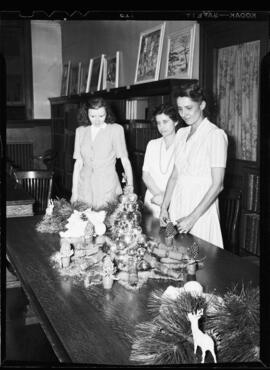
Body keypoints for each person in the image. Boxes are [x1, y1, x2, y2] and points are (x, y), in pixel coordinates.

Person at [160, 83, 228, 248]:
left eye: (189, 108)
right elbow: (175, 175)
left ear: (202, 105)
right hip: (179, 204)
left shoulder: (215, 135)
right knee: (178, 256)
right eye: (180, 109)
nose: (184, 114)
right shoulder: (181, 134)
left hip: (201, 210)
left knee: (200, 263)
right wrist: (164, 207)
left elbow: (217, 185)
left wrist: (192, 218)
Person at [71, 97, 133, 209]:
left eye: (101, 116)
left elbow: (125, 160)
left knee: (106, 222)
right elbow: (78, 164)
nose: (97, 120)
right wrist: (74, 192)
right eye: (92, 116)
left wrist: (130, 187)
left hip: (107, 185)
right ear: (86, 114)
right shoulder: (80, 131)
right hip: (84, 186)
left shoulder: (116, 130)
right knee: (83, 221)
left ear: (107, 113)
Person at [142, 104, 179, 219]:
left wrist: (166, 199)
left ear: (175, 122)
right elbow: (146, 175)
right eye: (158, 123)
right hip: (152, 200)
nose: (162, 127)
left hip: (173, 202)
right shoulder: (152, 144)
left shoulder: (183, 145)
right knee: (150, 234)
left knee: (170, 234)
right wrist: (159, 195)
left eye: (165, 121)